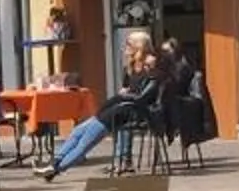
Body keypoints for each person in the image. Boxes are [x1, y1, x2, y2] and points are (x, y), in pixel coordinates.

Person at [39, 34, 167, 180]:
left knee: (85, 142)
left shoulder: (150, 67)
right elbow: (128, 87)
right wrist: (125, 92)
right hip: (114, 108)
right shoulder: (131, 67)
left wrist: (127, 94)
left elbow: (144, 96)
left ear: (139, 46)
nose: (125, 48)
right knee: (77, 131)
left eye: (129, 44)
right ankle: (55, 162)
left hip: (127, 111)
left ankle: (55, 169)